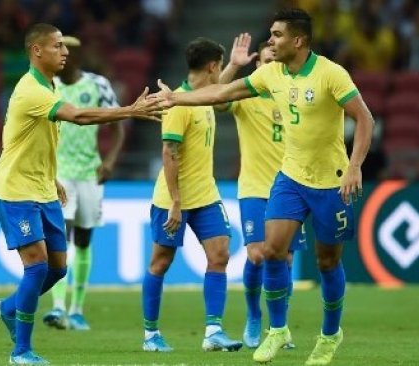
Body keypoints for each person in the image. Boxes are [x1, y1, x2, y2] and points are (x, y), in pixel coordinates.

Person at [151, 9, 374, 365]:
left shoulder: (331, 74)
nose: (269, 41)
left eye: (277, 35)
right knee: (270, 251)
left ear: (298, 41)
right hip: (290, 179)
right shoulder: (270, 74)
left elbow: (364, 117)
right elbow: (221, 93)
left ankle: (330, 334)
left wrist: (354, 167)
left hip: (331, 181)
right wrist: (176, 98)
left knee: (327, 262)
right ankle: (276, 330)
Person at [0, 23, 162, 365]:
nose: (65, 51)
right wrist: (130, 110)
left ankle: (10, 307)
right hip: (15, 190)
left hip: (42, 187)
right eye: (57, 46)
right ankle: (21, 351)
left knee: (58, 268)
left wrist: (50, 176)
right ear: (37, 51)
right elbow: (79, 116)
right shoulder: (31, 91)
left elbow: (29, 140)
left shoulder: (48, 84)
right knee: (37, 267)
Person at [141, 37, 243, 353]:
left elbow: (219, 90)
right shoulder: (178, 104)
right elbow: (168, 153)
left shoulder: (199, 97)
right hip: (174, 199)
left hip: (205, 196)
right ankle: (150, 335)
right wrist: (174, 201)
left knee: (220, 255)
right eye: (222, 65)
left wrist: (237, 65)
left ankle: (213, 331)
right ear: (212, 65)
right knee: (160, 262)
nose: (222, 71)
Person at [217, 34, 305, 349]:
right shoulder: (247, 96)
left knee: (286, 260)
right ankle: (254, 317)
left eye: (276, 62)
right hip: (255, 188)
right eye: (267, 61)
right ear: (257, 64)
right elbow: (215, 97)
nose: (272, 68)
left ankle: (279, 327)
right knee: (257, 255)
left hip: (292, 189)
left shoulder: (293, 96)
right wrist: (232, 66)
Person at [42, 35, 126, 331]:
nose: (62, 56)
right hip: (60, 173)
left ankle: (77, 309)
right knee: (60, 237)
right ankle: (57, 308)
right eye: (59, 50)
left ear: (77, 56)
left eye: (66, 52)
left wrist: (110, 161)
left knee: (84, 240)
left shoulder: (98, 85)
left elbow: (118, 126)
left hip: (90, 173)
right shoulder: (48, 86)